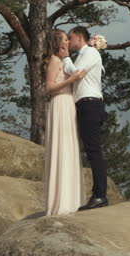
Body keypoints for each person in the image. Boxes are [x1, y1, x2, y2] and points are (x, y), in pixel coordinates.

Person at [62, 26, 108, 210]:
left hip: (90, 104)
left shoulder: (90, 52)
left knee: (94, 150)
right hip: (84, 105)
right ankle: (98, 194)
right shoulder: (82, 54)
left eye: (70, 37)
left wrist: (65, 57)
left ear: (80, 37)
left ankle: (100, 195)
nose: (68, 40)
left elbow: (76, 73)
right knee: (90, 150)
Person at [43, 29, 87, 216]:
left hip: (68, 105)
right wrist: (72, 79)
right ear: (57, 42)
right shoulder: (54, 60)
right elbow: (49, 87)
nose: (68, 42)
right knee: (62, 148)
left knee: (69, 149)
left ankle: (71, 199)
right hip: (60, 104)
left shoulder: (63, 61)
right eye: (65, 39)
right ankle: (61, 202)